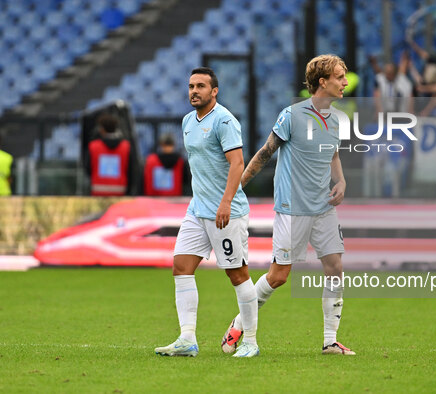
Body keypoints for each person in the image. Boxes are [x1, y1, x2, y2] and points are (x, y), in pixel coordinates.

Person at [221, 54, 355, 356]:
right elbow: (265, 153)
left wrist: (341, 182)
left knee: (335, 268)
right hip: (292, 209)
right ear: (322, 82)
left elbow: (333, 155)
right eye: (339, 77)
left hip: (324, 208)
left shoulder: (337, 119)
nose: (345, 82)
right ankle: (239, 323)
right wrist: (234, 190)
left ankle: (329, 341)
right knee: (279, 277)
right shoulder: (292, 115)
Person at [155, 67, 259, 358]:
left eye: (201, 86)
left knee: (238, 275)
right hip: (197, 208)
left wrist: (225, 202)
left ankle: (250, 341)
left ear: (214, 91)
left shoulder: (224, 121)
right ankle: (187, 338)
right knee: (181, 267)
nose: (194, 91)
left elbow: (237, 163)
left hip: (227, 211)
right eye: (190, 86)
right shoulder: (188, 121)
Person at [86, 113, 131, 196]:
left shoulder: (93, 146)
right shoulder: (126, 146)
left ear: (102, 129)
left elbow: (88, 168)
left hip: (98, 190)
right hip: (120, 190)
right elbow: (130, 170)